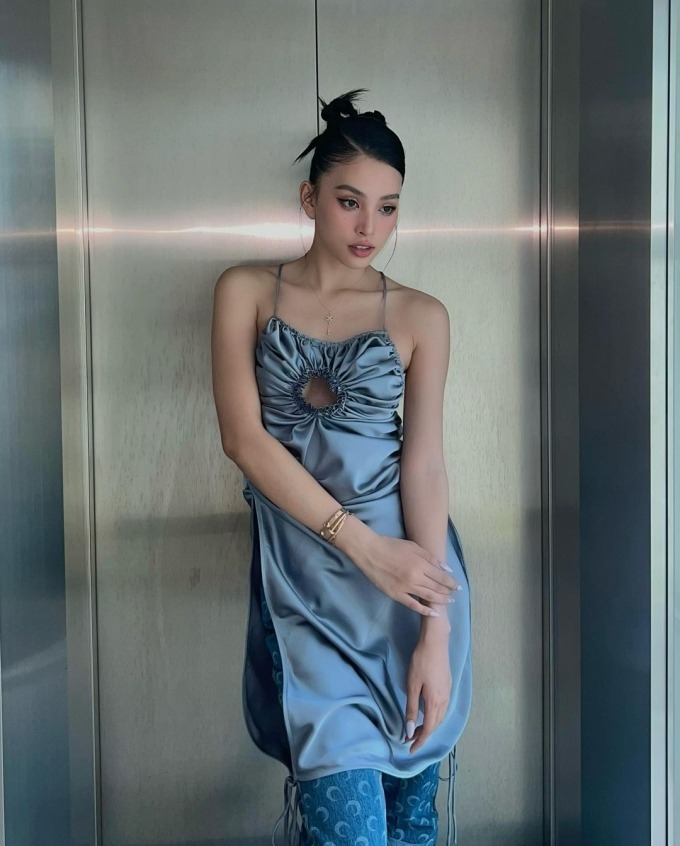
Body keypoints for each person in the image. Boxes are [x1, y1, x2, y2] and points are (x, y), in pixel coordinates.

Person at [211, 89, 472, 846]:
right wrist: (364, 547)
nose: (369, 229)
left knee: (411, 823)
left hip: (409, 590)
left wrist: (435, 632)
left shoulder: (422, 314)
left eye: (387, 209)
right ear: (310, 199)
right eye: (350, 202)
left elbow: (424, 467)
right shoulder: (245, 291)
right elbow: (243, 440)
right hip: (308, 587)